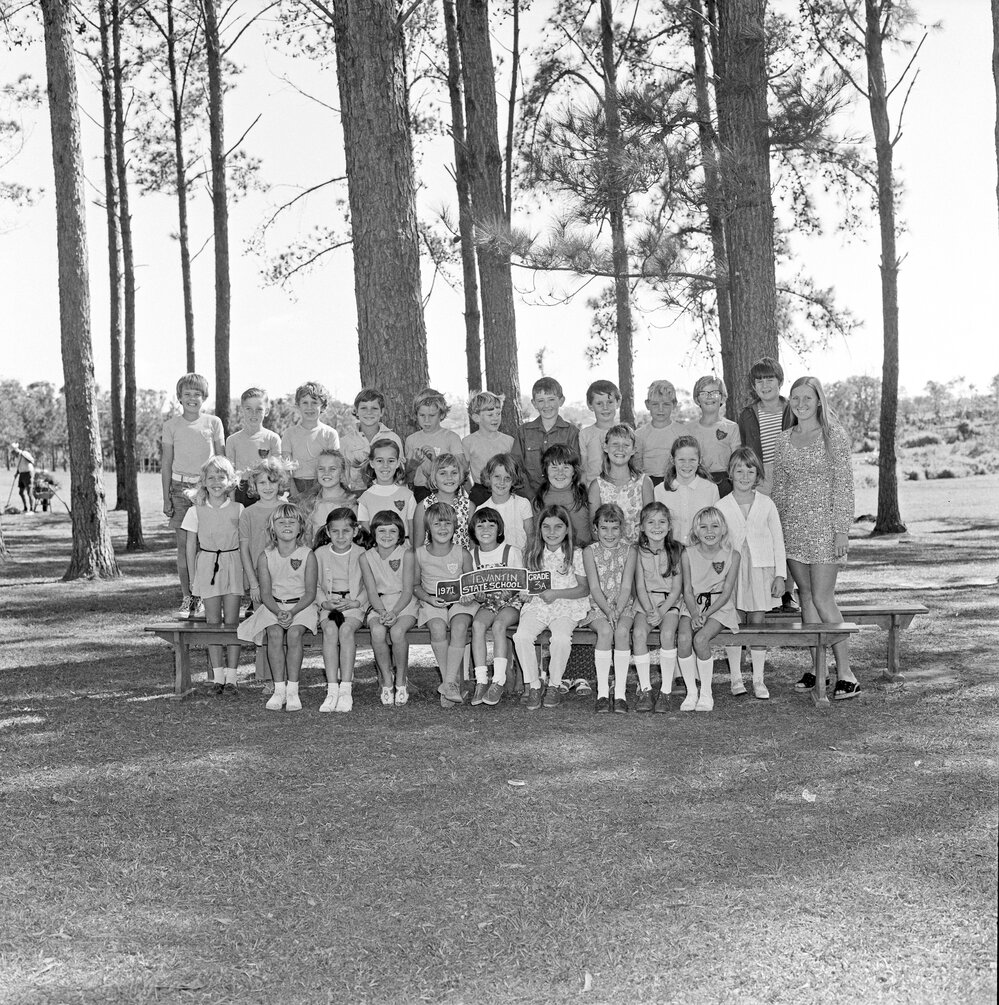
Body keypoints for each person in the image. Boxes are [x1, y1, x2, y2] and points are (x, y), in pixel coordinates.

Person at [772, 376, 860, 700]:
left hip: (825, 529)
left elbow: (844, 485)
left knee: (823, 598)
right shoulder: (783, 440)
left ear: (819, 400)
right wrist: (776, 535)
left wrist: (841, 530)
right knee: (805, 598)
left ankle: (847, 673)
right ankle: (818, 668)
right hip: (793, 529)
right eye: (795, 398)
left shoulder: (833, 435)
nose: (801, 404)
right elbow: (778, 489)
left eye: (807, 398)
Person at [717, 447, 787, 700]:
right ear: (731, 474)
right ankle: (736, 677)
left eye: (750, 470)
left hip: (760, 570)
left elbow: (778, 541)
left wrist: (780, 575)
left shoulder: (766, 503)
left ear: (757, 474)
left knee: (757, 623)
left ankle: (758, 678)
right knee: (734, 622)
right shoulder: (721, 505)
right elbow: (716, 543)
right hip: (733, 573)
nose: (744, 475)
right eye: (739, 470)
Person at [238, 503, 318, 711]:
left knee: (293, 634)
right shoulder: (265, 556)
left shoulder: (308, 554)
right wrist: (278, 611)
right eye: (281, 522)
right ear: (272, 527)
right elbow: (265, 593)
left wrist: (291, 612)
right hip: (273, 606)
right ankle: (278, 688)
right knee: (273, 633)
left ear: (301, 527)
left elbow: (310, 593)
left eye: (292, 522)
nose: (287, 525)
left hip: (301, 607)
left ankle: (293, 689)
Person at [513, 505, 590, 711]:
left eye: (558, 527)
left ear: (567, 529)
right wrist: (525, 593)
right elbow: (527, 586)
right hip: (538, 605)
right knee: (521, 637)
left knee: (561, 638)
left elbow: (583, 589)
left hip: (566, 605)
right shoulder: (532, 553)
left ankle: (554, 684)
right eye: (546, 527)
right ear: (539, 530)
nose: (552, 532)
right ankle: (535, 685)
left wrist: (556, 593)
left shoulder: (576, 553)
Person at [161, 373, 225, 620]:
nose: (192, 398)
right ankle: (189, 597)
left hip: (207, 490)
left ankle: (209, 595)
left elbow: (221, 461)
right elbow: (167, 463)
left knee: (208, 546)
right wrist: (166, 497)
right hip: (179, 489)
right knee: (184, 548)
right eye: (187, 394)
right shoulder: (171, 426)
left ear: (204, 397)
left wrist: (221, 491)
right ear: (179, 398)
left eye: (197, 394)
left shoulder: (213, 422)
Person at [737, 357, 796, 612]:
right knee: (763, 534)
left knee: (788, 534)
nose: (764, 384)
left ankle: (788, 593)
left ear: (780, 381)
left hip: (789, 478)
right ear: (753, 385)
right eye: (759, 380)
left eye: (769, 378)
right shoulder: (749, 414)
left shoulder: (792, 409)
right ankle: (765, 591)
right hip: (760, 478)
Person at [181, 456, 244, 694]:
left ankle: (233, 678)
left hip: (233, 563)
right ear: (204, 482)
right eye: (211, 477)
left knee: (232, 623)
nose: (217, 481)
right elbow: (189, 547)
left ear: (230, 481)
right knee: (212, 623)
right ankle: (217, 677)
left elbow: (245, 542)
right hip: (208, 566)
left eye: (222, 476)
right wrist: (192, 578)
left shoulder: (239, 509)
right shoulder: (195, 511)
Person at [412, 501, 477, 708]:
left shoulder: (462, 553)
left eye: (447, 523)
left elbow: (471, 584)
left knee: (459, 626)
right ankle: (449, 682)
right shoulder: (419, 553)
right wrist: (429, 599)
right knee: (438, 628)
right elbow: (414, 586)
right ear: (428, 528)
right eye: (437, 524)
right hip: (432, 600)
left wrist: (468, 594)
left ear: (456, 525)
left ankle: (448, 683)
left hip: (459, 602)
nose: (443, 528)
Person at [678, 507, 741, 713]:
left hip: (718, 608)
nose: (709, 531)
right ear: (696, 531)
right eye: (703, 527)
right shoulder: (687, 553)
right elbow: (687, 589)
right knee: (684, 639)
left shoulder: (733, 555)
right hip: (692, 605)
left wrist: (705, 614)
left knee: (700, 639)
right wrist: (695, 613)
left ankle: (706, 692)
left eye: (715, 526)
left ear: (723, 529)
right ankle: (691, 692)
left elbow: (726, 593)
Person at [582, 504, 638, 714]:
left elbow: (626, 587)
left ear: (622, 529)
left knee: (622, 632)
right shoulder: (590, 551)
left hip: (624, 606)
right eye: (604, 528)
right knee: (605, 631)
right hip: (598, 606)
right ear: (596, 529)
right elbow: (594, 587)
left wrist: (618, 609)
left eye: (615, 528)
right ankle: (603, 693)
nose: (610, 533)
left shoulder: (629, 551)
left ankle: (621, 693)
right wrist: (608, 611)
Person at [359, 511, 419, 705]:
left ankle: (401, 679)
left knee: (397, 631)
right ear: (373, 532)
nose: (387, 535)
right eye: (381, 530)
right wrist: (383, 612)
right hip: (379, 605)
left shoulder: (407, 554)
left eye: (392, 531)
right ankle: (386, 679)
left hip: (404, 603)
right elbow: (371, 591)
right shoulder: (365, 557)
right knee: (377, 631)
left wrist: (394, 613)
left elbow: (408, 590)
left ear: (400, 534)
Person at [467, 508, 524, 706]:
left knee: (499, 625)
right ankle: (481, 680)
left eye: (491, 525)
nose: (486, 529)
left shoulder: (511, 551)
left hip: (510, 602)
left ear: (499, 529)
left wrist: (512, 590)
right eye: (480, 525)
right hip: (488, 602)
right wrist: (477, 594)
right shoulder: (471, 556)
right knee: (477, 625)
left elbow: (522, 582)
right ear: (473, 530)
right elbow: (470, 586)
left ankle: (498, 680)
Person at [314, 508, 368, 713]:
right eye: (335, 531)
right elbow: (315, 586)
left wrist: (356, 603)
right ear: (327, 532)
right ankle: (332, 688)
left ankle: (346, 688)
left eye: (346, 531)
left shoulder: (362, 553)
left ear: (355, 531)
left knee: (345, 630)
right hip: (329, 604)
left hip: (353, 605)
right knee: (329, 631)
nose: (340, 536)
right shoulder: (320, 554)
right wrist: (324, 603)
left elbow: (370, 586)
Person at [633, 502, 684, 714]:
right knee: (638, 634)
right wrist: (649, 610)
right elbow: (639, 586)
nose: (657, 526)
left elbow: (677, 588)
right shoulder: (636, 552)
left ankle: (665, 691)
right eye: (651, 522)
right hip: (645, 603)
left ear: (669, 526)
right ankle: (645, 689)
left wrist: (662, 611)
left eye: (662, 522)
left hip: (669, 603)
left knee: (668, 633)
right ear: (642, 527)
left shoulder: (676, 550)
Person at [511, 376, 580, 496]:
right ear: (534, 403)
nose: (546, 405)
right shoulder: (523, 432)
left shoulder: (572, 432)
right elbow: (517, 467)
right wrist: (531, 497)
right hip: (530, 497)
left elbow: (575, 467)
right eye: (541, 400)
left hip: (563, 495)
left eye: (551, 399)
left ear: (561, 400)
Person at [588, 423, 654, 544]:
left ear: (634, 450)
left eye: (626, 445)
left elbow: (651, 524)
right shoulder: (597, 486)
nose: (620, 449)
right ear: (605, 447)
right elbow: (594, 530)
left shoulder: (644, 483)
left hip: (639, 552)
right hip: (608, 553)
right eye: (615, 444)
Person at [654, 435, 719, 546]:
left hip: (700, 553)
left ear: (700, 460)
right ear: (672, 460)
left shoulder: (710, 489)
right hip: (670, 554)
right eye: (681, 460)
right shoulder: (660, 491)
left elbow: (716, 526)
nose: (687, 465)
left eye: (692, 460)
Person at [404, 387, 465, 502]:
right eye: (422, 415)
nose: (426, 420)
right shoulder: (411, 440)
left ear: (441, 415)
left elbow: (463, 470)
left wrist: (435, 460)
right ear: (416, 415)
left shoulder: (451, 438)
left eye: (432, 415)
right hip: (421, 490)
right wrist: (413, 464)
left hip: (447, 490)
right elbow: (407, 476)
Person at [280, 381, 340, 499]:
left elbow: (335, 466)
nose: (309, 407)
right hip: (296, 486)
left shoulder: (330, 434)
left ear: (322, 406)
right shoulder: (289, 434)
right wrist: (294, 492)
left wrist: (325, 490)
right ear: (298, 405)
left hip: (323, 486)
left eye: (314, 403)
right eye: (305, 403)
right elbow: (286, 468)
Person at [339, 388, 403, 493]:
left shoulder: (393, 438)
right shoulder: (346, 441)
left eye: (374, 408)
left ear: (382, 412)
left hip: (387, 493)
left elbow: (400, 473)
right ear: (356, 411)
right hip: (357, 495)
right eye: (364, 408)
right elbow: (342, 477)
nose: (369, 412)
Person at [685, 375, 741, 497]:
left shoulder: (731, 427)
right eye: (704, 393)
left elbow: (737, 461)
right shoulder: (688, 429)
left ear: (723, 397)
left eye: (714, 392)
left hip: (725, 481)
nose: (709, 396)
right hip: (697, 480)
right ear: (697, 399)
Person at [225, 387, 281, 506]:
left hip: (266, 489)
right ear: (241, 410)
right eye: (248, 409)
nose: (253, 413)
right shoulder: (232, 440)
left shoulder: (273, 438)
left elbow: (278, 472)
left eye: (259, 409)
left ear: (267, 411)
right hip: (241, 490)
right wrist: (232, 502)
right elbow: (230, 475)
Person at [356, 438, 416, 539]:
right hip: (376, 550)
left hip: (402, 550)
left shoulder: (407, 495)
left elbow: (413, 531)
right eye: (379, 460)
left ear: (398, 463)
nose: (385, 465)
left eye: (391, 461)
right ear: (372, 463)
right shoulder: (365, 498)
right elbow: (365, 534)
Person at [413, 452, 475, 550]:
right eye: (443, 473)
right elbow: (417, 547)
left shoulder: (469, 506)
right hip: (431, 563)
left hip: (461, 563)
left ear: (460, 477)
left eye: (454, 473)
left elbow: (473, 546)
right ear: (433, 479)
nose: (449, 477)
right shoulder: (423, 507)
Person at [534, 444, 591, 548]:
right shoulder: (538, 501)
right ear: (546, 471)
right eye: (554, 467)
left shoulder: (586, 497)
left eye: (566, 467)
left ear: (574, 471)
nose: (560, 473)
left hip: (582, 557)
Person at [463, 390, 514, 505]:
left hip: (505, 491)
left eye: (498, 413)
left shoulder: (509, 441)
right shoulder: (468, 442)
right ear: (476, 418)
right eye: (490, 415)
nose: (495, 418)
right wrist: (472, 492)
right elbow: (464, 473)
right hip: (480, 493)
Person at [635, 380, 685, 485]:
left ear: (674, 404)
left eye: (666, 404)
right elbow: (636, 466)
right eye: (655, 404)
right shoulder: (639, 435)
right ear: (647, 404)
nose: (660, 409)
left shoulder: (683, 433)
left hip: (676, 482)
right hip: (648, 483)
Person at [481, 453, 533, 553]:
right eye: (497, 476)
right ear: (488, 477)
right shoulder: (482, 509)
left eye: (507, 478)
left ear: (513, 480)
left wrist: (529, 558)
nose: (502, 482)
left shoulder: (523, 504)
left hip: (522, 560)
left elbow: (530, 535)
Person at [306, 449, 355, 547]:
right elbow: (308, 540)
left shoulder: (351, 504)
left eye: (332, 469)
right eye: (321, 469)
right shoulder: (310, 504)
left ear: (341, 473)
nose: (326, 473)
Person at [579, 379, 621, 484]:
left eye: (610, 402)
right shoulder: (585, 434)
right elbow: (583, 468)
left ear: (618, 403)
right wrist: (583, 492)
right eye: (599, 403)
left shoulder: (625, 433)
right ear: (590, 405)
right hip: (593, 490)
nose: (605, 407)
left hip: (619, 489)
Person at [9, 442, 35, 512]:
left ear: (16, 450)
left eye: (13, 452)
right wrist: (16, 473)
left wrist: (27, 459)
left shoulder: (24, 453)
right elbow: (19, 466)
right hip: (21, 474)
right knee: (21, 492)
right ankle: (25, 508)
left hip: (28, 473)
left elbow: (32, 461)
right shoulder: (16, 458)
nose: (13, 454)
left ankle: (32, 508)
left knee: (29, 492)